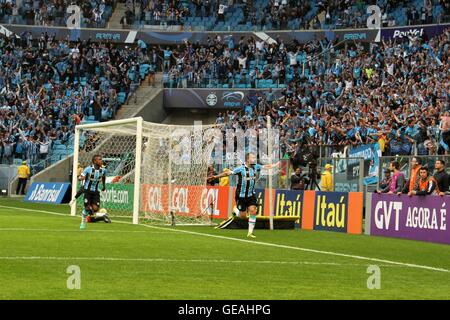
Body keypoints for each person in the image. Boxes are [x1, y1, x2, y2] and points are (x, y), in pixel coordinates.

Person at [208, 153, 279, 238]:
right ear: (248, 159)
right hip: (241, 196)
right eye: (252, 157)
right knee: (243, 216)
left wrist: (274, 165)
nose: (254, 159)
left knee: (253, 211)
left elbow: (265, 167)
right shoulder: (240, 169)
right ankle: (236, 211)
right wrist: (216, 176)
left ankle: (250, 233)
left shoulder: (255, 166)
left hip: (251, 195)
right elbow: (227, 173)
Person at [78, 155, 110, 230]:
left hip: (95, 191)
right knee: (88, 208)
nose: (101, 160)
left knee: (95, 209)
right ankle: (83, 221)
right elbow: (80, 177)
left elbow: (103, 177)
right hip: (87, 191)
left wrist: (104, 186)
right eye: (99, 159)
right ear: (95, 161)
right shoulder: (88, 169)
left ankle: (86, 212)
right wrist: (81, 178)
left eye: (101, 159)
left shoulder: (103, 170)